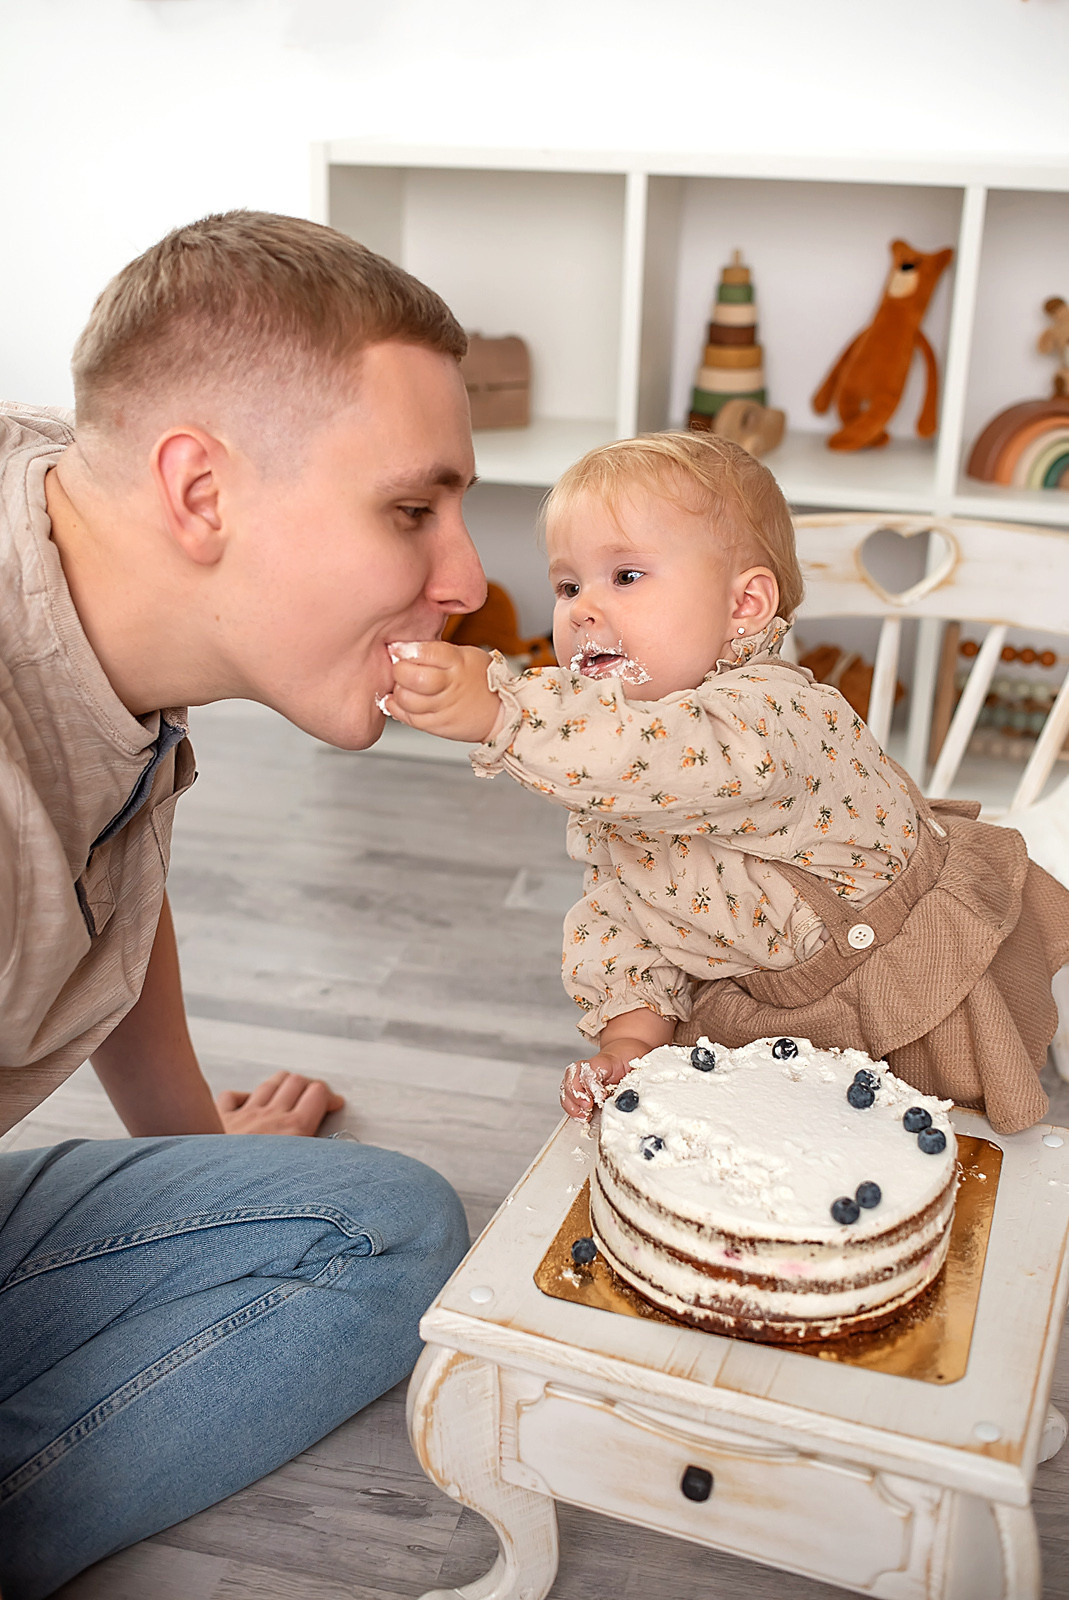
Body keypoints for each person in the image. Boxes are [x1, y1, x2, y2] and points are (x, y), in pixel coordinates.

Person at [0, 212, 485, 1599]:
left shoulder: (85, 527)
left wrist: (183, 1144)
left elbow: (115, 843)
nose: (462, 576)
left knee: (382, 1225)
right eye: (412, 509)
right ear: (201, 493)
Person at [386, 430, 1069, 1136]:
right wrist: (626, 1039)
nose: (581, 609)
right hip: (769, 1005)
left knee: (920, 1172)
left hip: (911, 988)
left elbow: (665, 754)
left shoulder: (771, 713)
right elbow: (625, 915)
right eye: (567, 585)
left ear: (743, 606)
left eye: (623, 577)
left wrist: (507, 711)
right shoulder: (621, 781)